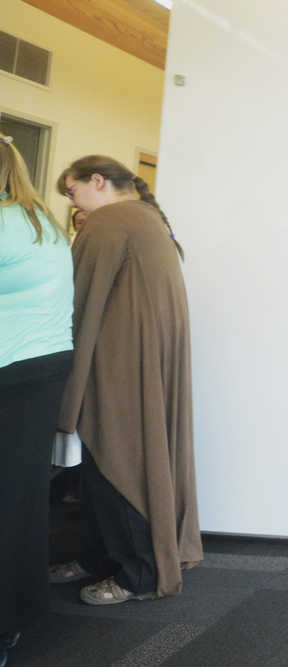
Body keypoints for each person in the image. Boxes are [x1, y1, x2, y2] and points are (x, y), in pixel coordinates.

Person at [48, 155, 202, 605]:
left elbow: (76, 300)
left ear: (98, 181)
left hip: (118, 365)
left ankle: (139, 574)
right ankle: (101, 560)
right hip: (136, 362)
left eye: (74, 191)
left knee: (118, 464)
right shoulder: (148, 219)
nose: (74, 203)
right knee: (106, 465)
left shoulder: (112, 220)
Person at [0, 135, 74, 667]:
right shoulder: (41, 221)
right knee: (19, 495)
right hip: (44, 367)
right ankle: (18, 613)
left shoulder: (5, 221)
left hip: (13, 369)